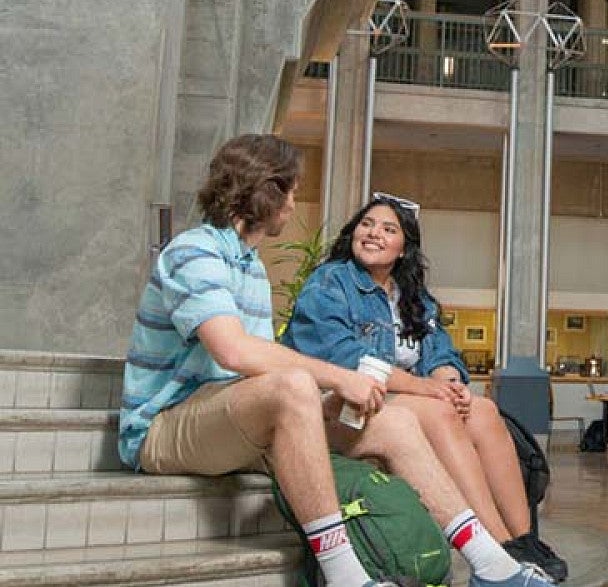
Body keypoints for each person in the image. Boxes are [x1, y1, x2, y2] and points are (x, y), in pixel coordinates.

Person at [119, 135, 553, 587]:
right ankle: (347, 577)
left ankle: (493, 565)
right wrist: (340, 381)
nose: (292, 204)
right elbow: (235, 352)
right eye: (290, 191)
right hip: (165, 427)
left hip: (232, 416)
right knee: (293, 385)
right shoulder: (195, 252)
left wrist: (327, 405)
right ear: (267, 191)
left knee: (395, 424)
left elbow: (257, 373)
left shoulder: (249, 265)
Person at [282, 194, 567, 582]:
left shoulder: (413, 298)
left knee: (481, 410)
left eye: (388, 228)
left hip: (403, 396)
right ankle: (497, 549)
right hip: (343, 401)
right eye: (366, 225)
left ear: (404, 247)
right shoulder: (331, 281)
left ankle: (523, 539)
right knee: (438, 409)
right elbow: (345, 358)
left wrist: (449, 380)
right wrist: (426, 389)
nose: (374, 234)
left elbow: (441, 353)